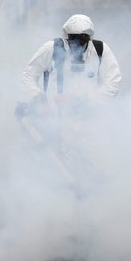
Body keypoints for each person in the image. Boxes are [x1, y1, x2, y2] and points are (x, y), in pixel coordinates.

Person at [18, 13, 122, 175]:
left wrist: (86, 100)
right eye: (73, 40)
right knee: (60, 171)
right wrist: (38, 98)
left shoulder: (100, 50)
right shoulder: (52, 49)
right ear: (66, 37)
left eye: (82, 40)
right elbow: (28, 76)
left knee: (101, 168)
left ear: (89, 38)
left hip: (88, 122)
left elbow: (113, 83)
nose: (77, 45)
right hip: (55, 122)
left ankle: (97, 197)